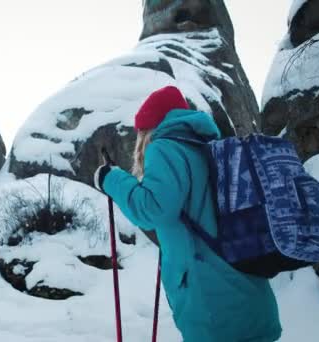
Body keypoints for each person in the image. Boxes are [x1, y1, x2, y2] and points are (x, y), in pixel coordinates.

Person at [94, 86, 282, 342]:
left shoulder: (164, 148)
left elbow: (153, 209)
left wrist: (111, 179)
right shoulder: (208, 148)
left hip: (213, 306)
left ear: (148, 129)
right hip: (248, 294)